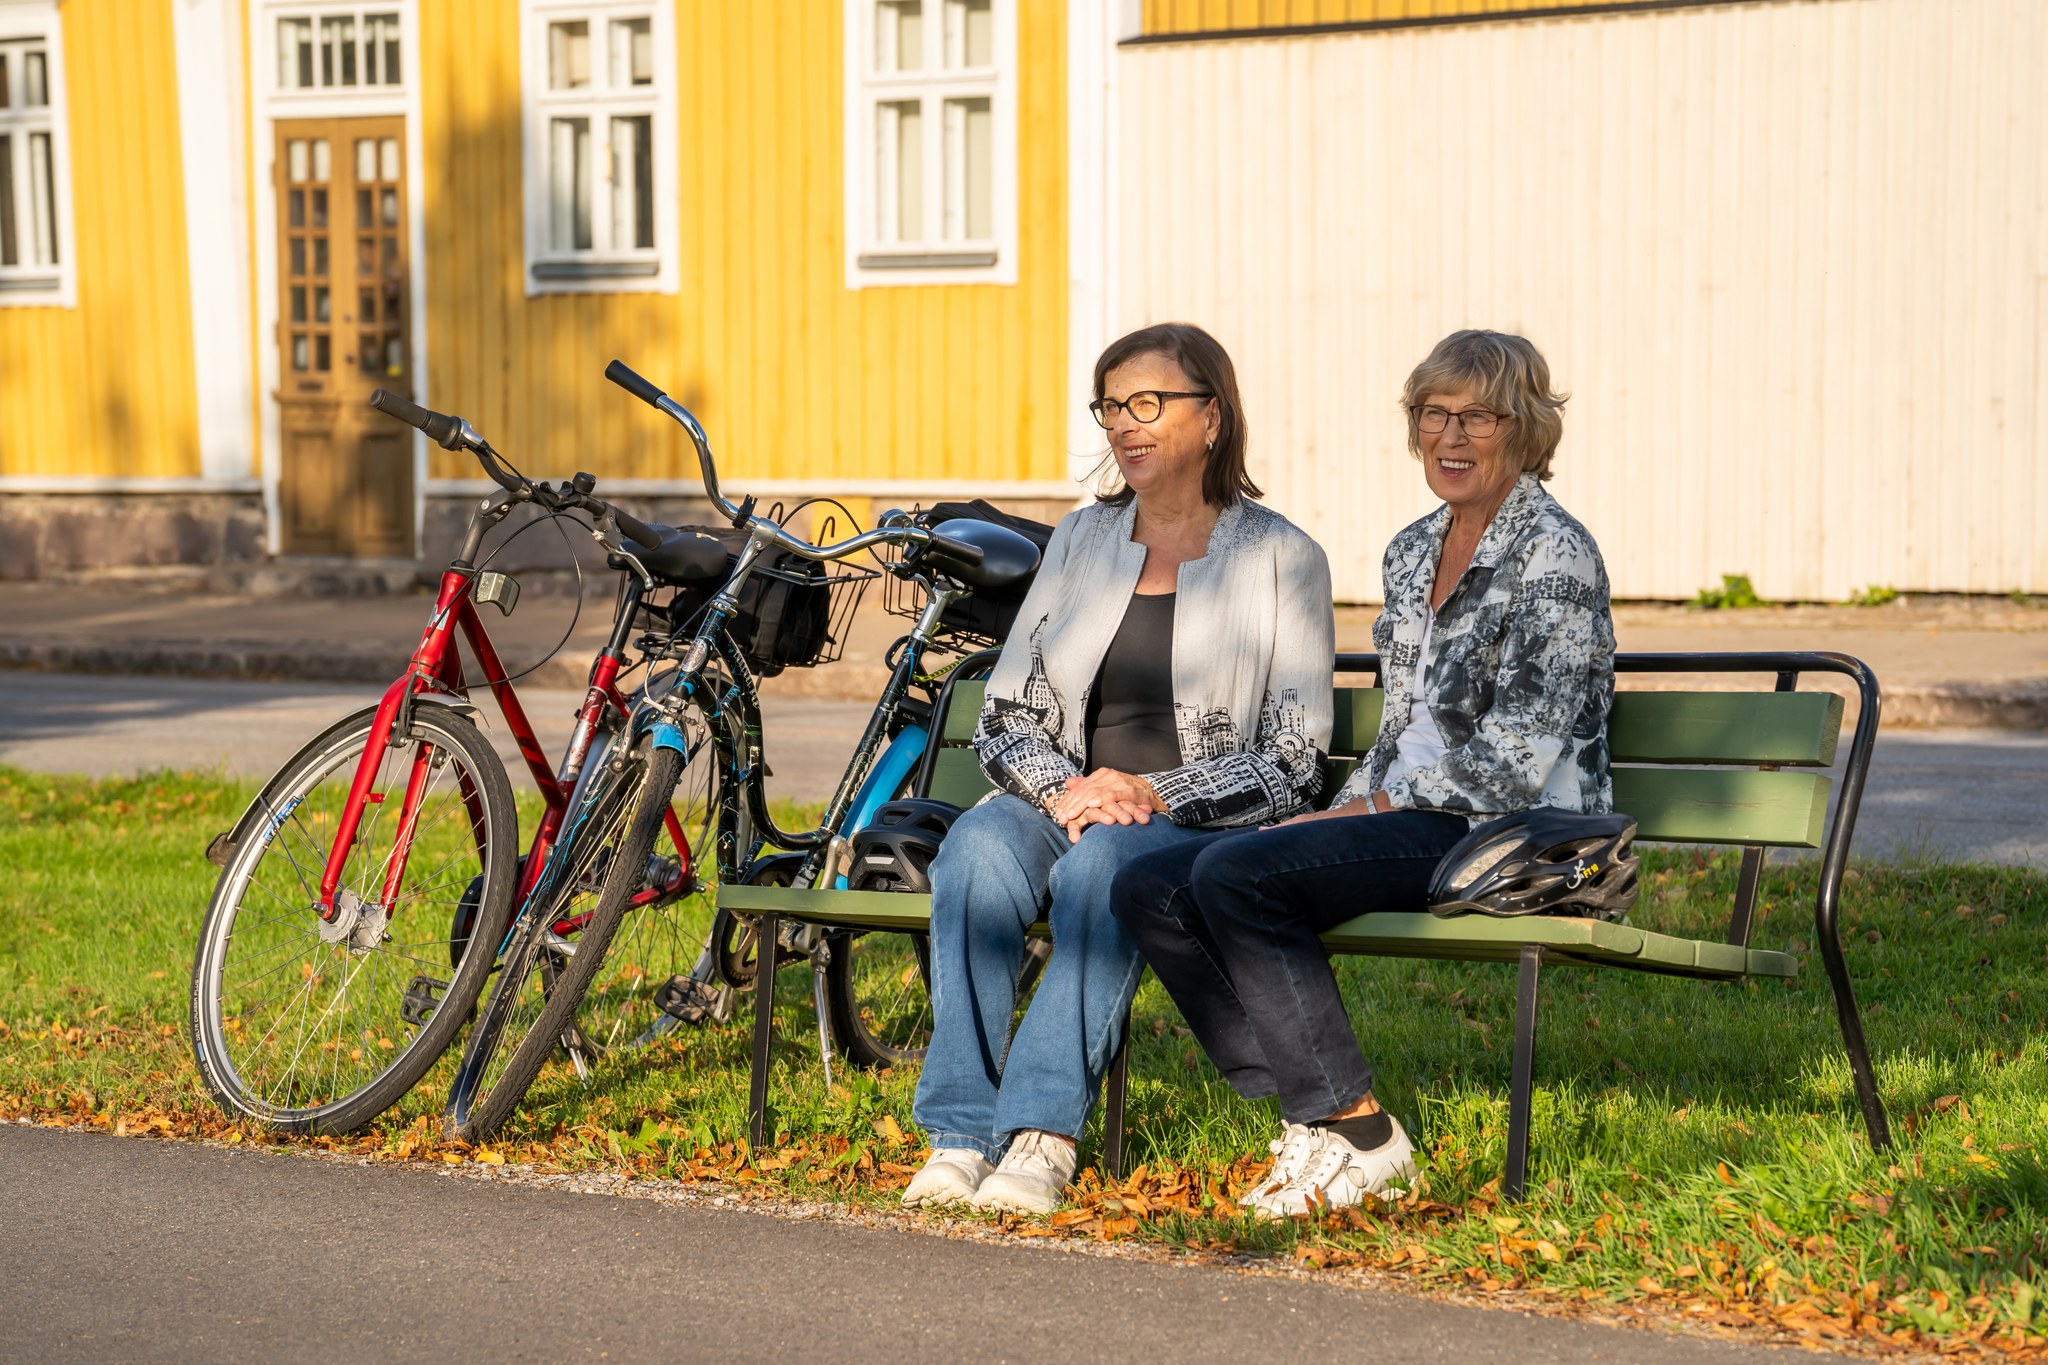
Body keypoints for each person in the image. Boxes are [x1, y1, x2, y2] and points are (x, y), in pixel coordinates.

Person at [1112, 329, 1615, 1218]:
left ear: (1526, 428)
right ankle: (1323, 1118)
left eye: (1478, 417)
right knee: (1150, 880)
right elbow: (1400, 731)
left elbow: (1518, 755)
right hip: (1410, 814)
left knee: (1238, 871)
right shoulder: (1413, 549)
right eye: (1434, 414)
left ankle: (1356, 1133)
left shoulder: (1555, 554)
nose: (1451, 437)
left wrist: (1362, 810)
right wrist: (1339, 811)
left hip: (1505, 828)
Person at [903, 323, 1335, 1215]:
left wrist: (1149, 791)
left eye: (1150, 403)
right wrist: (1068, 788)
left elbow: (1295, 760)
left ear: (1212, 415)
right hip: (1063, 797)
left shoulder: (1284, 558)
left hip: (1193, 821)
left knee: (1109, 864)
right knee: (978, 848)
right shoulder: (1080, 541)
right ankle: (957, 1132)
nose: (1125, 425)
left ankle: (1040, 1135)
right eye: (1111, 406)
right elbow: (1008, 710)